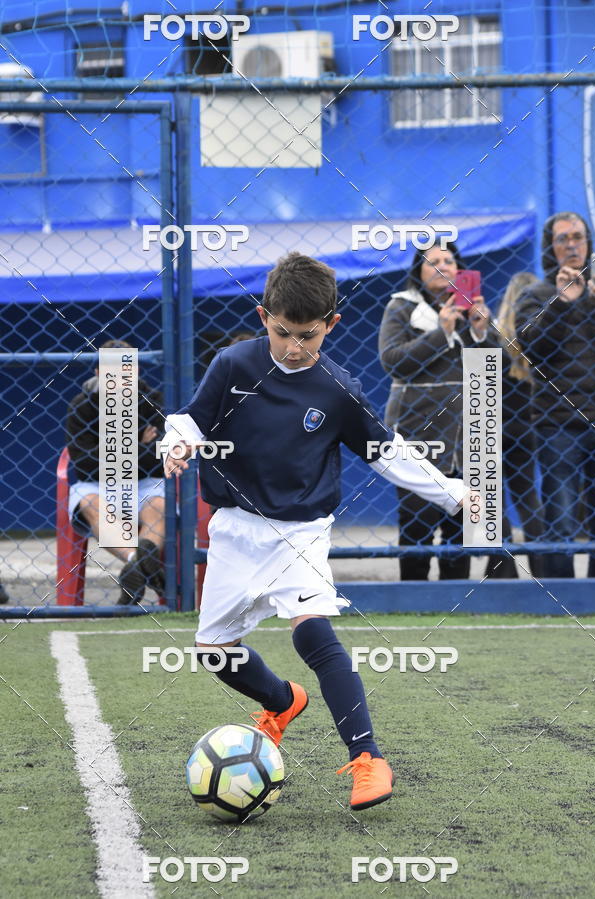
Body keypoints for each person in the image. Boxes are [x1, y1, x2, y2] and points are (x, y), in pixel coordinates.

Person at [162, 252, 475, 810]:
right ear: (264, 317)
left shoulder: (337, 389)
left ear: (331, 325)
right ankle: (282, 701)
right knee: (213, 650)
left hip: (302, 531)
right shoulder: (233, 365)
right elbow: (189, 416)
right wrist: (178, 441)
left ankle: (368, 759)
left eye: (308, 335)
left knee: (312, 632)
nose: (294, 348)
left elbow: (387, 453)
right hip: (235, 530)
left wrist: (453, 492)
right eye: (283, 333)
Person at [378, 240, 500, 580]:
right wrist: (440, 332)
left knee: (463, 528)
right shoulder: (401, 307)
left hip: (470, 434)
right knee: (417, 526)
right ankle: (413, 595)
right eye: (433, 261)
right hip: (420, 435)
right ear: (418, 272)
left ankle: (455, 597)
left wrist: (480, 331)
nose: (443, 266)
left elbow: (492, 369)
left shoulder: (469, 309)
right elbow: (392, 361)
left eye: (449, 261)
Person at [516, 212, 595, 578]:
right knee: (561, 521)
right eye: (563, 238)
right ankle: (562, 599)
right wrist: (561, 304)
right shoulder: (536, 294)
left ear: (588, 242)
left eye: (577, 237)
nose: (571, 245)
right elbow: (533, 346)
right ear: (550, 247)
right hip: (558, 424)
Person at [66, 339, 166, 604]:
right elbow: (83, 464)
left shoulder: (151, 400)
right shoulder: (81, 405)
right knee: (90, 503)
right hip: (97, 485)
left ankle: (136, 568)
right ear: (99, 374)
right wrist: (138, 445)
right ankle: (141, 563)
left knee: (158, 506)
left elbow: (159, 457)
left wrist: (108, 451)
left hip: (144, 482)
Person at [494, 272, 544, 578]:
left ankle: (503, 569)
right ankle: (542, 565)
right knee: (528, 496)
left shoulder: (493, 336)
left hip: (494, 425)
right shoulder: (540, 338)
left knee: (492, 498)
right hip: (528, 424)